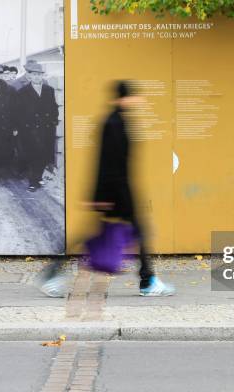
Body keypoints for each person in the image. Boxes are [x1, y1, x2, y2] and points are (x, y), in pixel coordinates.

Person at [39, 81, 175, 298]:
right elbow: (106, 163)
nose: (137, 100)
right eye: (133, 96)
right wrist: (101, 197)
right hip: (116, 193)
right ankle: (147, 281)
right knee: (125, 234)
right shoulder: (113, 123)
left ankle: (53, 273)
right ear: (123, 98)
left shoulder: (118, 121)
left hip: (117, 191)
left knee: (108, 235)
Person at [12, 62, 58, 191]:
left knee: (44, 155)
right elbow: (17, 112)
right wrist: (22, 127)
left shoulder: (49, 90)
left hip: (46, 128)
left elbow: (54, 107)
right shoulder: (22, 92)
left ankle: (38, 177)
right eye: (34, 74)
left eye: (39, 75)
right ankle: (33, 181)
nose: (37, 77)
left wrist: (53, 120)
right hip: (30, 130)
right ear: (30, 76)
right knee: (32, 155)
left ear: (42, 76)